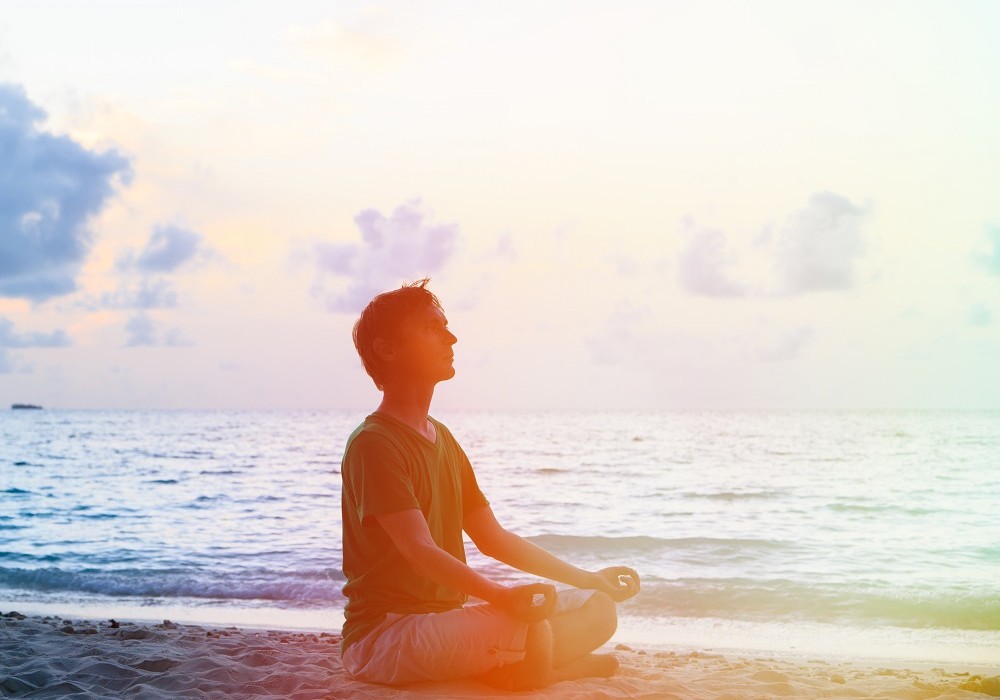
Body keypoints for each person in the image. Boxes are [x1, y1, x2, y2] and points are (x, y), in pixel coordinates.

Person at [340, 279, 640, 690]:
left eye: (446, 326)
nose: (451, 337)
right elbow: (420, 552)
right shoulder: (374, 442)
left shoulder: (441, 438)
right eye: (432, 328)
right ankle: (542, 669)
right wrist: (502, 597)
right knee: (532, 628)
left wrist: (587, 579)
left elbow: (493, 538)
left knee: (599, 608)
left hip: (446, 624)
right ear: (387, 349)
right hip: (385, 636)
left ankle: (529, 664)